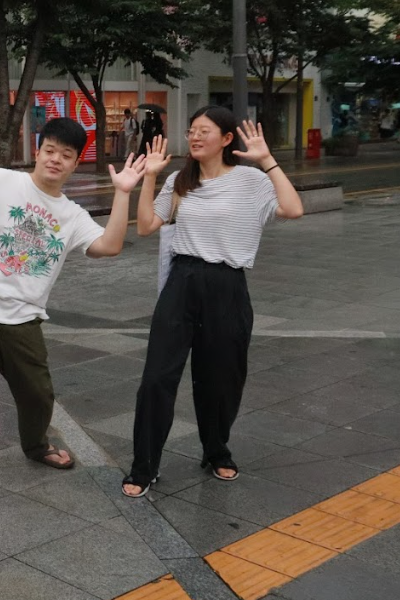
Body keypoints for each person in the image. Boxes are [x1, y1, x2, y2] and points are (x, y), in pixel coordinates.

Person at [0, 111, 147, 517]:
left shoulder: (71, 215)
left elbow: (110, 246)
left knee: (39, 394)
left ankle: (35, 444)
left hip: (23, 317)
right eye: (50, 150)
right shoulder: (0, 180)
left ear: (75, 162)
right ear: (37, 149)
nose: (55, 159)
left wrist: (123, 193)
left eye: (66, 155)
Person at [121, 107, 303, 499]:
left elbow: (293, 208)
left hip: (228, 285)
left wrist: (268, 159)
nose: (195, 136)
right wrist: (150, 176)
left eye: (204, 131)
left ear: (225, 139)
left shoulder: (250, 180)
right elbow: (148, 225)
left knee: (221, 379)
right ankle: (144, 466)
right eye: (191, 130)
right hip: (182, 282)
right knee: (156, 377)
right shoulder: (180, 181)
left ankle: (216, 449)